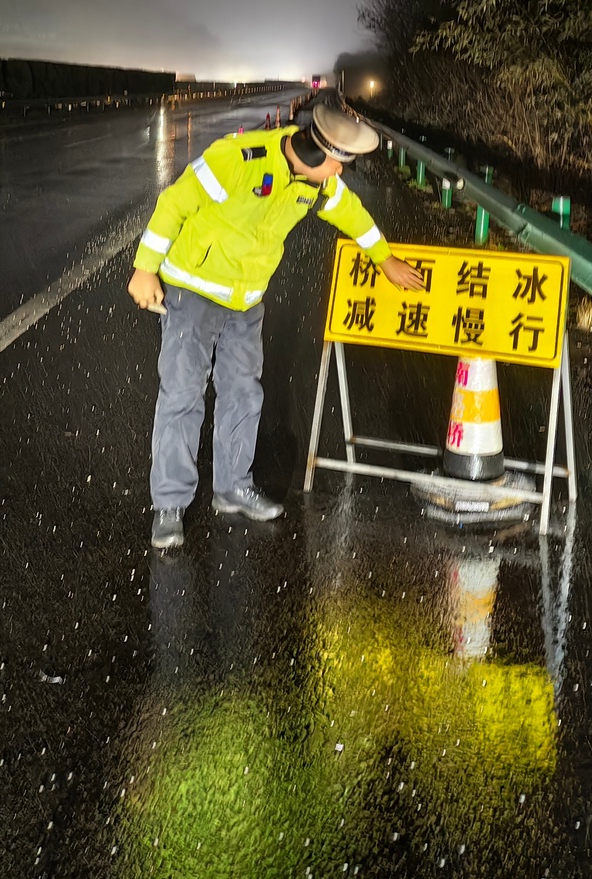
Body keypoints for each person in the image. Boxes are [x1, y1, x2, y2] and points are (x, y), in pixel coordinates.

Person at [128, 99, 424, 549]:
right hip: (193, 290)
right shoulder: (238, 159)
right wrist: (145, 268)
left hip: (246, 300)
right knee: (184, 395)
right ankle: (168, 505)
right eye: (338, 165)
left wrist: (384, 258)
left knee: (243, 392)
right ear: (316, 153)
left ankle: (232, 488)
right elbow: (175, 202)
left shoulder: (315, 184)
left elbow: (351, 212)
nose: (340, 174)